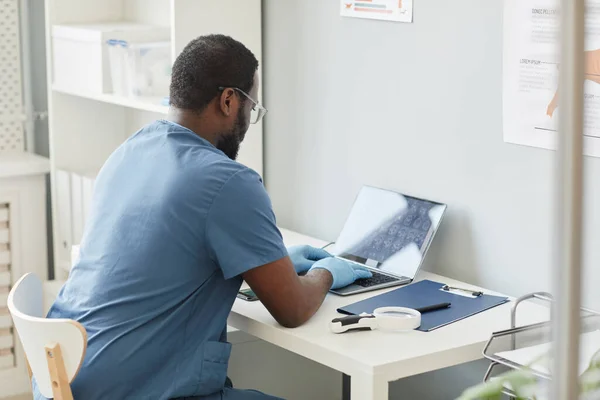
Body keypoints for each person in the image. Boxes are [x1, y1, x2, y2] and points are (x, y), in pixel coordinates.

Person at [34, 34, 371, 400]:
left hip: (65, 379)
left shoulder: (129, 151)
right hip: (129, 390)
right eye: (251, 107)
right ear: (229, 100)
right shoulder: (228, 182)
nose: (247, 120)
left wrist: (276, 266)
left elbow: (158, 261)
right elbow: (293, 309)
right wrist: (326, 273)